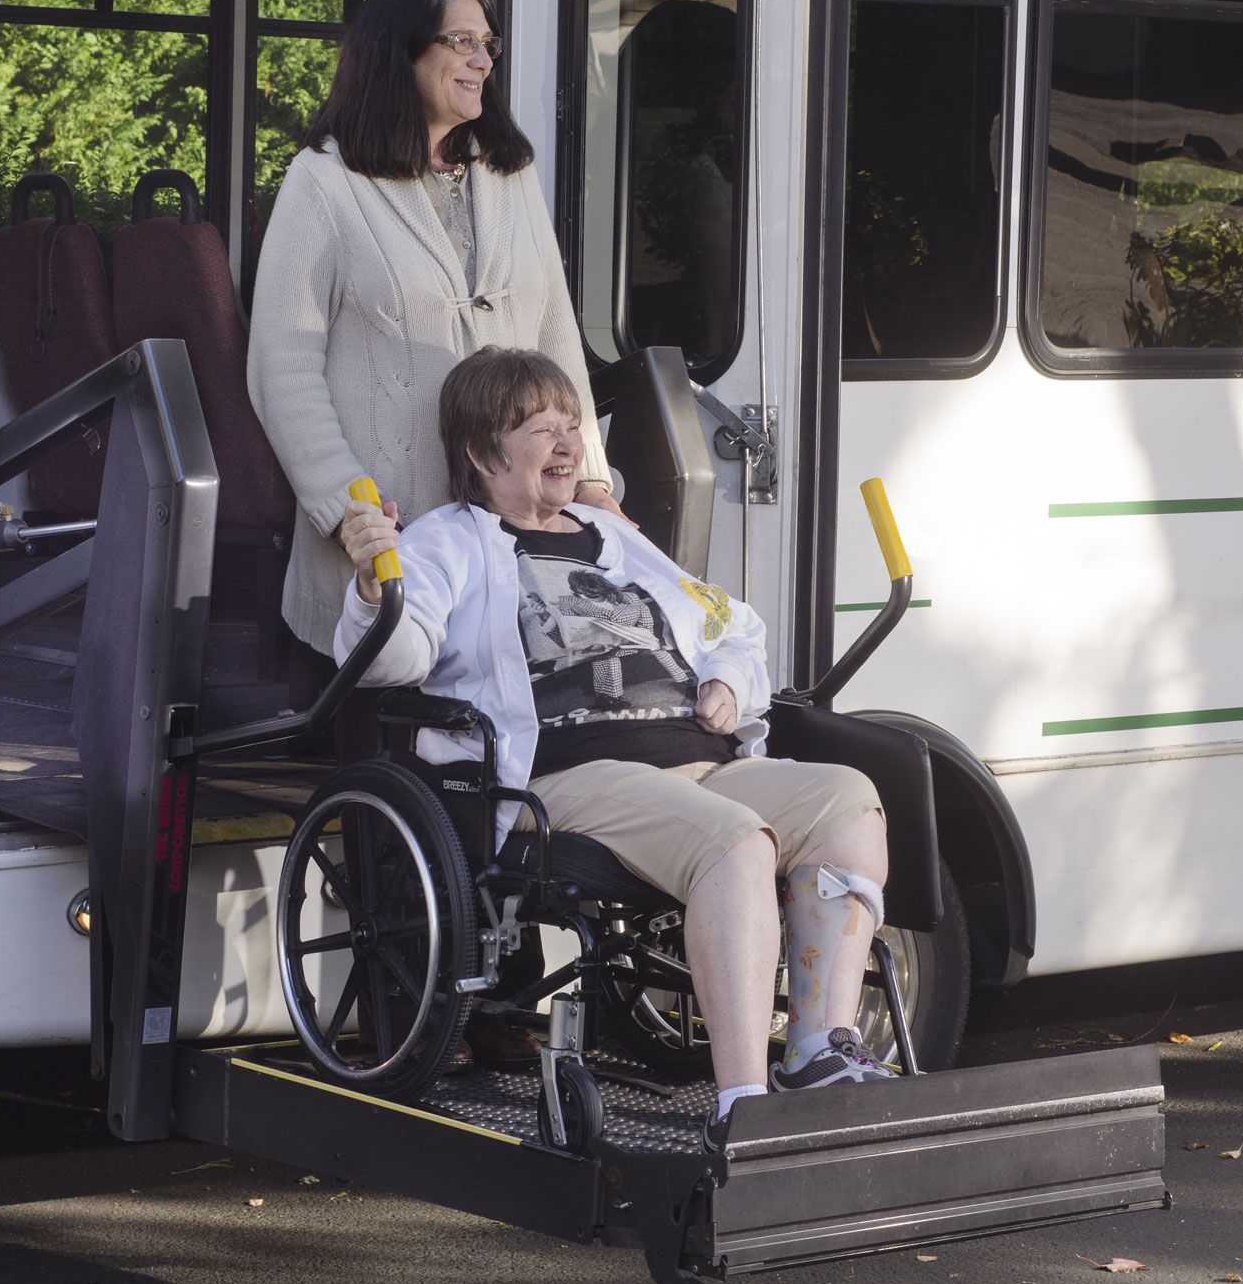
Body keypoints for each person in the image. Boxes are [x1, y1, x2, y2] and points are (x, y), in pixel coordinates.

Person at [335, 347, 895, 1145]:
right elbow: (394, 659)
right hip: (567, 772)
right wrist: (371, 584)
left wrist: (730, 682)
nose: (567, 444)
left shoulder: (608, 534)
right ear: (481, 450)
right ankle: (743, 1101)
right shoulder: (447, 541)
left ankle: (816, 1046)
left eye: (572, 427)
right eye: (540, 429)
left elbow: (729, 622)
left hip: (694, 758)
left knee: (849, 799)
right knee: (737, 845)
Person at [248, 0, 624, 662]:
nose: (482, 61)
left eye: (488, 44)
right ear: (402, 51)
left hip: (514, 540)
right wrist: (346, 511)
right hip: (388, 546)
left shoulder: (511, 175)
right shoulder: (324, 182)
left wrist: (592, 482)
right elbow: (283, 368)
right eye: (461, 42)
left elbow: (556, 339)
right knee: (389, 741)